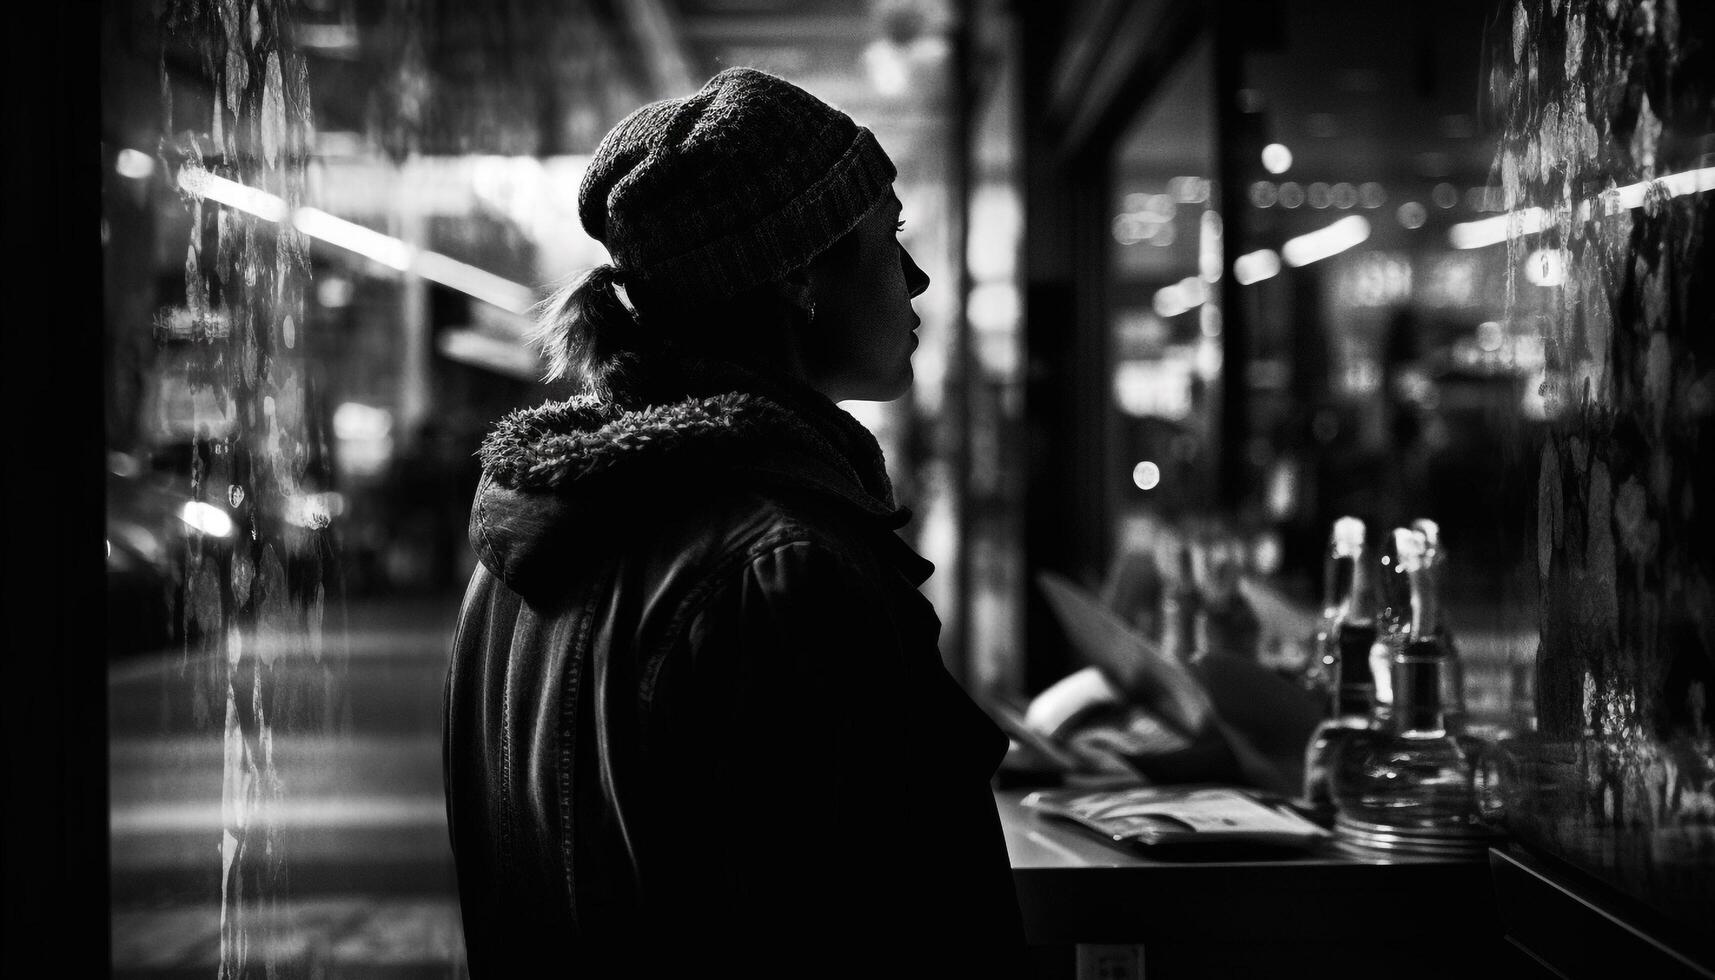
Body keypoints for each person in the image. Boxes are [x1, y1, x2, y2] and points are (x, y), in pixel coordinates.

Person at [442, 67, 1029, 977]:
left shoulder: (522, 550)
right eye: (889, 238)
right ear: (800, 275)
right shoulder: (785, 571)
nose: (913, 278)